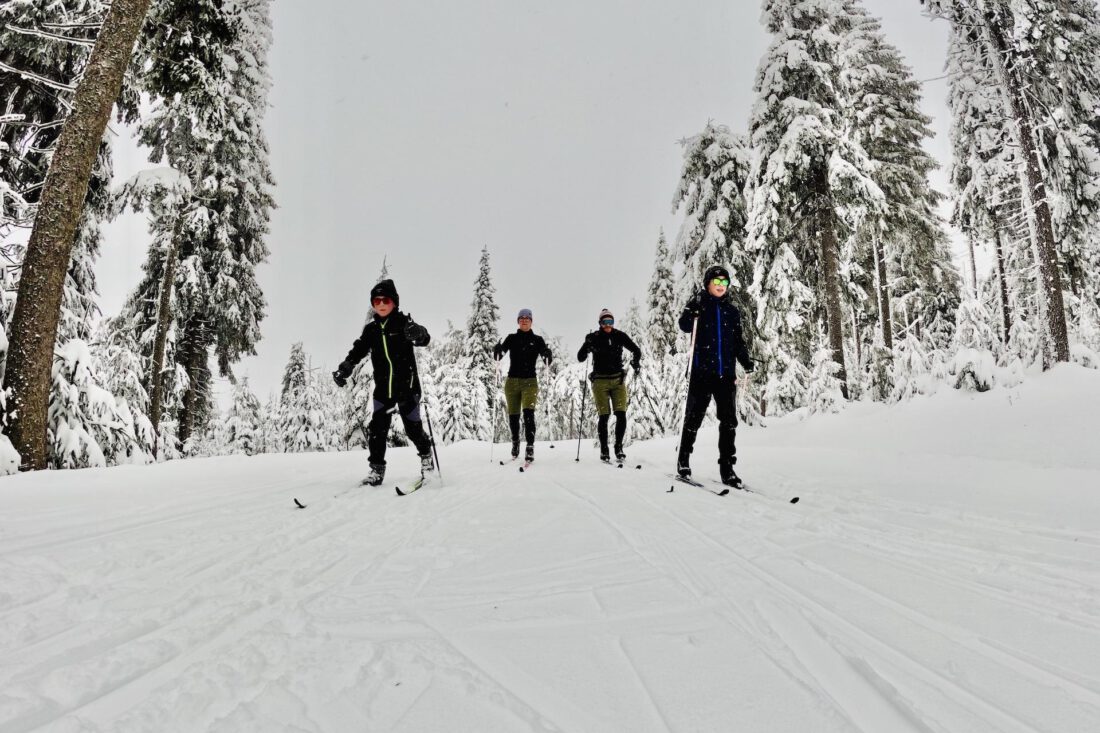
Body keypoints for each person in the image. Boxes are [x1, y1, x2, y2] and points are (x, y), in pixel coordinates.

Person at [332, 279, 434, 486]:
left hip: (407, 387)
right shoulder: (371, 330)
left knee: (413, 429)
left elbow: (424, 339)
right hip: (383, 389)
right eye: (376, 300)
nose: (380, 304)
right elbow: (359, 349)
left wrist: (419, 333)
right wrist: (346, 367)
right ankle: (376, 470)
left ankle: (426, 456)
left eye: (385, 299)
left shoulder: (404, 323)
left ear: (394, 302)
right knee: (377, 429)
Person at [676, 265, 755, 487]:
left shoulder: (732, 312)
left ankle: (727, 468)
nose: (721, 287)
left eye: (724, 283)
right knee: (694, 417)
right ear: (708, 284)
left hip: (726, 375)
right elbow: (684, 326)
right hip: (702, 373)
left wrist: (746, 361)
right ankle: (683, 459)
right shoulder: (700, 307)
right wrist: (689, 311)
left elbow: (737, 342)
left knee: (729, 422)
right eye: (717, 283)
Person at [577, 308, 642, 462]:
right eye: (605, 321)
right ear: (600, 323)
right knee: (604, 416)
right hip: (600, 381)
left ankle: (618, 447)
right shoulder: (594, 337)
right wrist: (587, 346)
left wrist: (636, 362)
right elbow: (580, 357)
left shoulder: (619, 336)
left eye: (610, 321)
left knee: (621, 414)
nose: (608, 324)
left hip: (618, 380)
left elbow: (636, 350)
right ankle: (604, 449)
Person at [493, 308, 553, 461]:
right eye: (521, 318)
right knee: (513, 415)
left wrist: (547, 354)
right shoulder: (512, 338)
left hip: (530, 382)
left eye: (527, 318)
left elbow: (546, 358)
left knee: (528, 413)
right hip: (512, 382)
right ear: (518, 321)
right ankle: (515, 442)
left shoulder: (537, 340)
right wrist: (498, 350)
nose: (524, 320)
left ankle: (530, 446)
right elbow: (499, 355)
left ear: (531, 321)